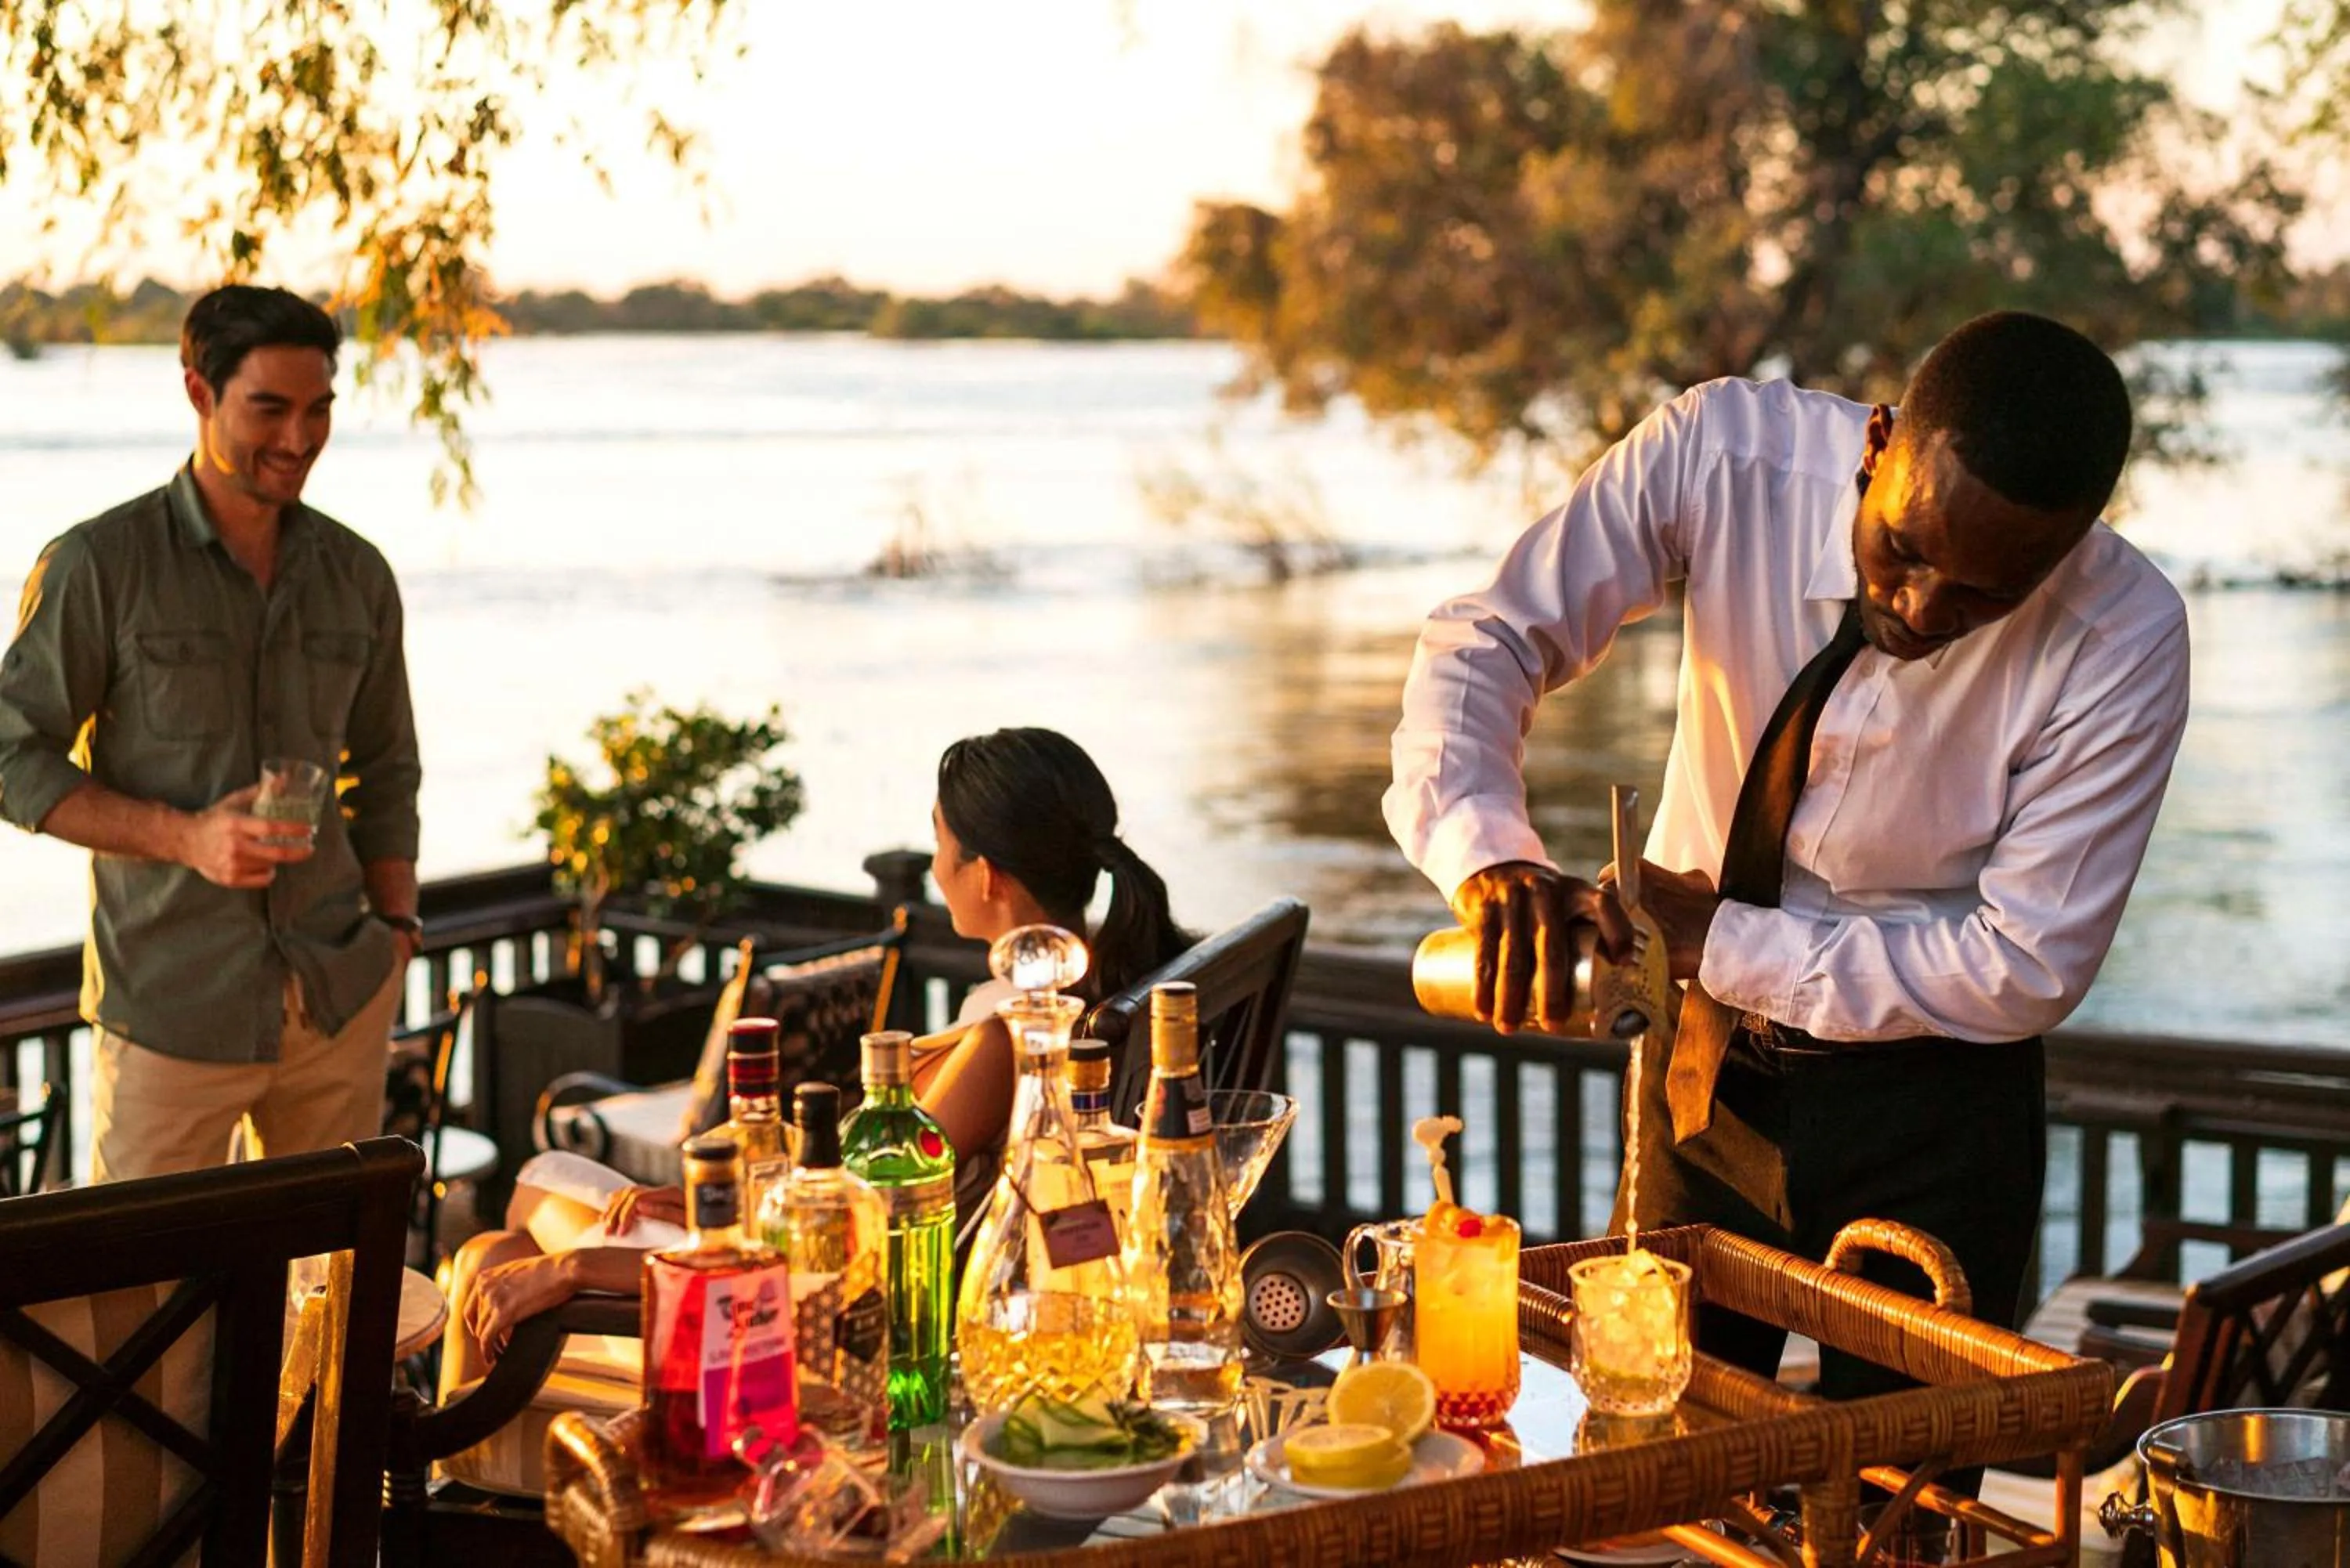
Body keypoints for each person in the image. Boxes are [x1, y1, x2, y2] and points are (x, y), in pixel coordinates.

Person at [1385, 311, 2190, 1398]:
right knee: (1663, 1436)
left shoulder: (2125, 636)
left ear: (2076, 542)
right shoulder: (1725, 452)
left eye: (1987, 596)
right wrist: (1487, 855)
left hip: (1938, 1103)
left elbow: (2027, 963)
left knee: (1909, 1494)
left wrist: (1718, 936)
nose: (1919, 607)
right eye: (1902, 548)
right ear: (1876, 446)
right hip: (1700, 1076)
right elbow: (1493, 635)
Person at [446, 726, 1188, 1371]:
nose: (933, 869)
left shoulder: (1006, 1038)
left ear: (987, 874)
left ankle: (456, 1498)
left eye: (940, 842)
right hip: (818, 1252)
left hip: (813, 1310)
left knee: (509, 1231)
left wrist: (588, 1265)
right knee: (510, 1237)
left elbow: (850, 1224)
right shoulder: (1095, 992)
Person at [0, 284, 422, 1182]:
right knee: (149, 1311)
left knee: (328, 1300)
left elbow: (387, 772)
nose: (299, 440)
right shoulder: (98, 567)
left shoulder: (358, 575)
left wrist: (395, 927)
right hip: (170, 1012)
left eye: (318, 411)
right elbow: (9, 754)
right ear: (198, 391)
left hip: (336, 1000)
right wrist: (185, 836)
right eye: (269, 408)